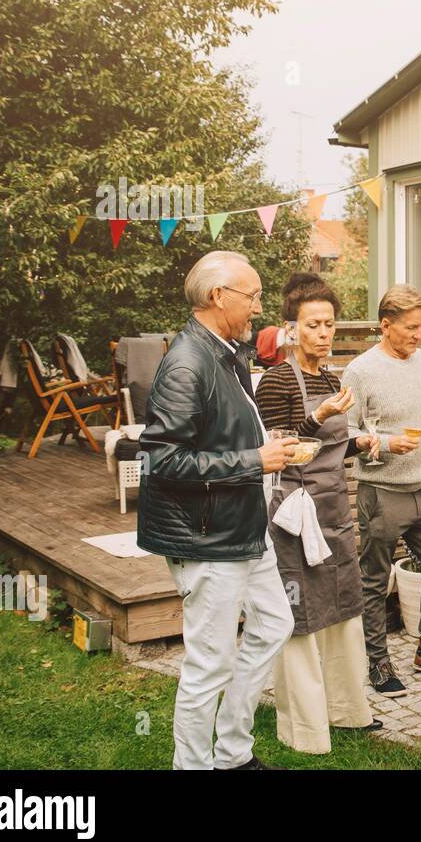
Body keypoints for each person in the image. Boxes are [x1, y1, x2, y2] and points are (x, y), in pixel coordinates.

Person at [137, 250, 299, 770]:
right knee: (210, 663)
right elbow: (162, 459)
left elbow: (220, 433)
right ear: (217, 297)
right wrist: (254, 459)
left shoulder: (228, 352)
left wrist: (262, 442)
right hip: (205, 539)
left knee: (273, 627)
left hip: (245, 530)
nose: (258, 307)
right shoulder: (187, 361)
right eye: (251, 296)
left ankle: (232, 752)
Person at [253, 273, 381, 753]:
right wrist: (318, 417)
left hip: (335, 509)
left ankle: (348, 710)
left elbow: (331, 447)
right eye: (313, 324)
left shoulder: (331, 378)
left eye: (329, 324)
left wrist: (359, 441)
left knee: (344, 611)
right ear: (292, 329)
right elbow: (276, 449)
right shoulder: (278, 380)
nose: (324, 333)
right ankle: (304, 728)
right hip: (293, 513)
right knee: (302, 617)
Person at [342, 284, 421, 696]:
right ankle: (378, 662)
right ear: (385, 324)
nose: (419, 335)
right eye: (411, 327)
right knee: (374, 580)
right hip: (381, 492)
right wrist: (382, 442)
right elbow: (345, 433)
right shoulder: (360, 371)